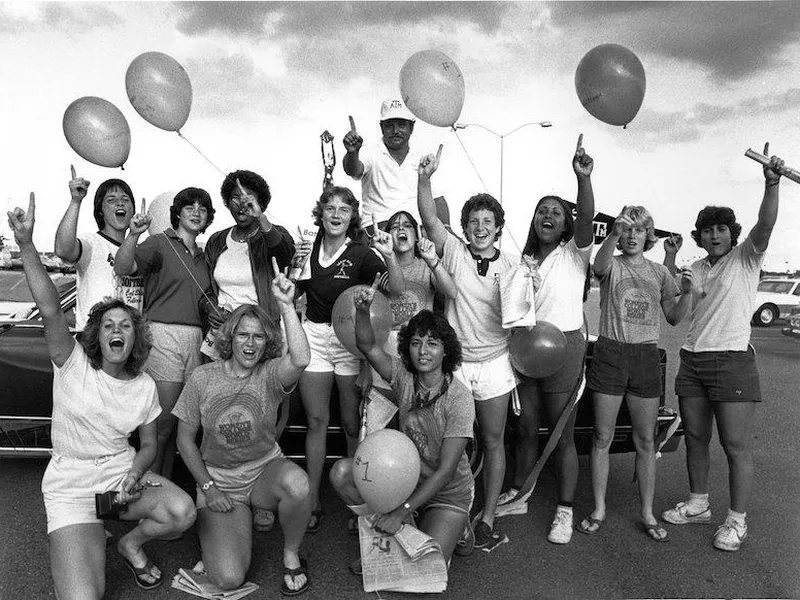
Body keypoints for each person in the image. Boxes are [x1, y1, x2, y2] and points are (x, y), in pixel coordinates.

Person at [8, 193, 196, 599]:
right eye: (109, 324)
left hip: (118, 479)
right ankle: (76, 536)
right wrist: (25, 243)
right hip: (71, 486)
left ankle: (129, 543)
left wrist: (132, 476)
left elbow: (148, 444)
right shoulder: (71, 362)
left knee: (181, 512)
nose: (117, 331)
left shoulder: (144, 385)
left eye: (126, 326)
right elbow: (51, 308)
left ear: (135, 337)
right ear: (97, 333)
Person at [661, 145, 784, 552]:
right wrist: (681, 281)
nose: (715, 235)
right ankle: (699, 504)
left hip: (732, 361)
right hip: (693, 360)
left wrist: (771, 184)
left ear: (733, 233)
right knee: (696, 438)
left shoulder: (747, 258)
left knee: (735, 446)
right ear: (700, 235)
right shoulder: (694, 269)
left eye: (722, 229)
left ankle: (736, 520)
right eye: (708, 230)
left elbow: (765, 226)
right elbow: (676, 319)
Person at [173, 263, 313, 596]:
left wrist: (285, 305)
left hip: (263, 472)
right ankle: (226, 532)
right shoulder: (203, 378)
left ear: (267, 343)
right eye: (243, 334)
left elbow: (302, 358)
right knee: (228, 579)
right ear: (230, 338)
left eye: (259, 336)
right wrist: (209, 488)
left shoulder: (269, 374)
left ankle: (291, 554)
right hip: (220, 483)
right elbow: (184, 440)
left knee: (297, 483)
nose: (250, 342)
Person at [417, 145, 521, 552]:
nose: (480, 227)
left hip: (495, 363)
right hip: (456, 366)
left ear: (498, 228)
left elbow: (521, 317)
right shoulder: (454, 250)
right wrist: (425, 177)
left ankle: (489, 515)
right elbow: (428, 217)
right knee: (449, 443)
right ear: (465, 226)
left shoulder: (512, 266)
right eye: (474, 221)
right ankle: (450, 508)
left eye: (487, 221)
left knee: (493, 441)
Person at [330, 288, 474, 567]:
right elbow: (368, 346)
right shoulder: (404, 377)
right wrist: (361, 311)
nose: (423, 351)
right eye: (416, 342)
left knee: (429, 566)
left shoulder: (459, 398)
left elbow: (445, 472)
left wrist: (401, 511)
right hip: (403, 482)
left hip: (447, 493)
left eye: (432, 344)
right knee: (342, 473)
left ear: (446, 350)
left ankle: (455, 526)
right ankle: (391, 530)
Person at [293, 186, 405, 533]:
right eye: (330, 208)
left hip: (349, 341)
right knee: (315, 421)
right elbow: (295, 290)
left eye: (344, 209)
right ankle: (311, 499)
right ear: (321, 213)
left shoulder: (361, 253)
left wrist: (388, 256)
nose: (337, 214)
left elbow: (397, 290)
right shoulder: (306, 247)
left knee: (352, 424)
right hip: (314, 335)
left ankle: (356, 496)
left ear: (352, 215)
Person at [501, 135, 595, 545]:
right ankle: (519, 492)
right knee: (525, 428)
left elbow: (587, 216)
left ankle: (564, 510)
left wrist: (583, 179)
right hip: (525, 351)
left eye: (556, 212)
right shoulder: (523, 261)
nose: (548, 215)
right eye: (542, 210)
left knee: (562, 434)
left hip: (565, 349)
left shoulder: (575, 253)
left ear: (566, 223)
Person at [579, 206, 692, 542]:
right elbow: (597, 266)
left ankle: (647, 512)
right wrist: (612, 233)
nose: (630, 236)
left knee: (645, 440)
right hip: (610, 351)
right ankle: (598, 508)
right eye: (626, 229)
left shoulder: (659, 272)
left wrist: (686, 292)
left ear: (648, 236)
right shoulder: (611, 264)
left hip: (644, 355)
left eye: (638, 230)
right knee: (602, 436)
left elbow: (673, 316)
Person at [202, 169, 294, 532]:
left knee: (268, 408)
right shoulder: (216, 241)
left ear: (261, 201)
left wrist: (262, 219)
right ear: (226, 203)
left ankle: (262, 488)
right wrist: (211, 310)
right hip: (224, 336)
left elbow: (283, 251)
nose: (242, 203)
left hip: (263, 334)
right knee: (220, 407)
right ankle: (220, 480)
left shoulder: (273, 234)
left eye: (250, 197)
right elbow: (207, 286)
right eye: (235, 197)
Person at [114, 187, 216, 478]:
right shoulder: (159, 243)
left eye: (203, 208)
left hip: (195, 341)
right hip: (163, 336)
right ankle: (150, 489)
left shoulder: (204, 255)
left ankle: (165, 486)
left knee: (180, 426)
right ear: (177, 213)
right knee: (162, 426)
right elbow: (124, 268)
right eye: (189, 207)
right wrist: (133, 235)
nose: (196, 212)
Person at [54, 166, 143, 331]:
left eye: (125, 199)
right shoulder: (92, 242)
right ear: (100, 211)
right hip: (94, 342)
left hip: (129, 343)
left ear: (132, 210)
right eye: (111, 200)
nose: (120, 203)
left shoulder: (139, 251)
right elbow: (63, 250)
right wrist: (76, 201)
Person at [343, 98, 445, 231]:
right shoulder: (369, 151)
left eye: (402, 125)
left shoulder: (421, 156)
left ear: (411, 128)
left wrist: (447, 229)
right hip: (378, 227)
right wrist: (352, 153)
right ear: (381, 128)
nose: (396, 131)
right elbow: (353, 170)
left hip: (415, 230)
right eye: (390, 125)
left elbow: (437, 199)